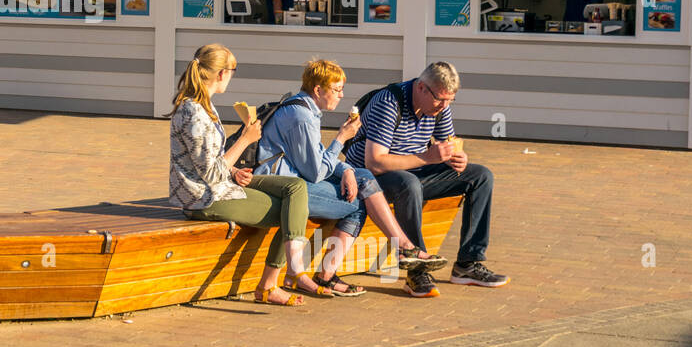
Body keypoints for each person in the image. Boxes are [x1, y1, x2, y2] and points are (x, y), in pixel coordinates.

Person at [255, 59, 446, 297]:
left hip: (293, 181)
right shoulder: (301, 117)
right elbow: (315, 172)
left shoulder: (303, 109)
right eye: (336, 90)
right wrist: (342, 138)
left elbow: (317, 159)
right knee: (357, 201)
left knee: (360, 183)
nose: (341, 96)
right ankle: (401, 248)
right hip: (283, 187)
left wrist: (346, 170)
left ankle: (339, 272)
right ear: (318, 90)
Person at [169, 43, 320, 305]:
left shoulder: (204, 106)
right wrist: (245, 140)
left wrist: (236, 170)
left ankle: (286, 272)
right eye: (233, 70)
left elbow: (209, 162)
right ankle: (272, 282)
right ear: (221, 74)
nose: (232, 76)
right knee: (287, 211)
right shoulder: (194, 112)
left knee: (294, 188)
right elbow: (211, 172)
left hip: (219, 185)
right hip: (203, 197)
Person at [344, 61, 508, 297]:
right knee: (407, 184)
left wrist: (456, 158)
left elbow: (446, 145)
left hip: (412, 171)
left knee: (481, 176)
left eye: (450, 100)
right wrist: (426, 158)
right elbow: (375, 162)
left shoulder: (439, 106)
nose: (444, 106)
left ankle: (468, 264)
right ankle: (416, 269)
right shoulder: (388, 102)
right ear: (421, 88)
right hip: (370, 179)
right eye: (440, 99)